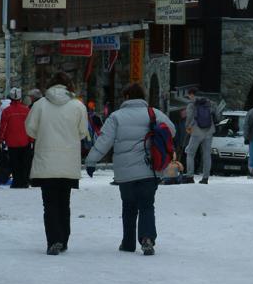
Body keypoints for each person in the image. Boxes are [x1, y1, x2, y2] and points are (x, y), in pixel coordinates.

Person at [84, 83, 176, 255]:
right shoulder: (153, 113)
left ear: (126, 97)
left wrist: (91, 161)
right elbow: (172, 130)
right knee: (147, 205)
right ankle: (147, 238)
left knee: (128, 206)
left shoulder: (116, 117)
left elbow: (104, 140)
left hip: (125, 172)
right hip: (149, 169)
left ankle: (128, 243)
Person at [26, 72, 89, 256]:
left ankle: (53, 240)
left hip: (46, 161)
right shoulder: (77, 105)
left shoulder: (39, 105)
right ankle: (63, 239)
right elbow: (83, 131)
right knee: (64, 202)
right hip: (68, 161)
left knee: (49, 204)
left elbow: (30, 129)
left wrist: (43, 136)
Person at [0, 88, 34, 189]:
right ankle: (24, 181)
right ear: (20, 98)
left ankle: (16, 181)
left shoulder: (6, 111)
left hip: (11, 141)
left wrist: (1, 138)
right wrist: (31, 139)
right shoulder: (26, 110)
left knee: (14, 162)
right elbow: (30, 126)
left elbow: (3, 127)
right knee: (25, 162)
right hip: (25, 140)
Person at [184, 88, 219, 184]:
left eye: (189, 95)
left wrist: (187, 127)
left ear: (192, 94)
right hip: (209, 131)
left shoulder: (191, 104)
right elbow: (217, 115)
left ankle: (190, 176)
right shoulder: (210, 103)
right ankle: (205, 178)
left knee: (190, 153)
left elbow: (189, 117)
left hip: (196, 131)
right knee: (207, 155)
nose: (189, 97)